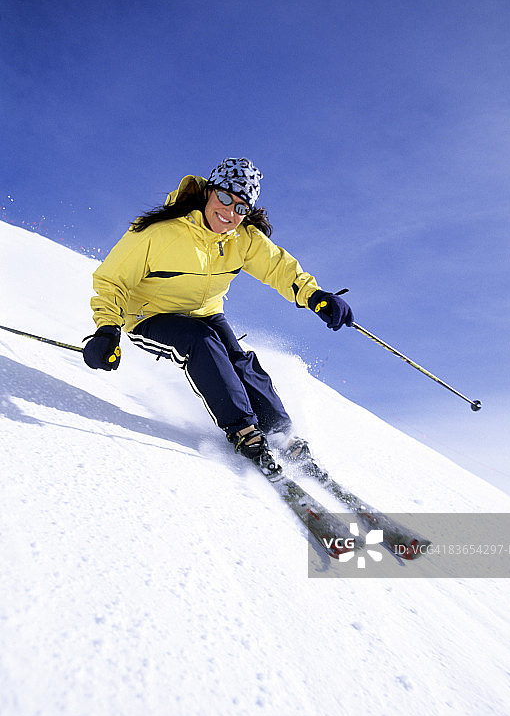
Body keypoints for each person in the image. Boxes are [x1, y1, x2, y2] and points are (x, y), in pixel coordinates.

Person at [83, 157, 353, 477]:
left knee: (237, 358)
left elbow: (278, 268)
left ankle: (280, 432)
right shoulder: (159, 232)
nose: (229, 212)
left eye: (240, 207)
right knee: (201, 342)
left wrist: (315, 296)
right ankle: (243, 430)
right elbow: (111, 280)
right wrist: (107, 330)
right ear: (210, 191)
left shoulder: (243, 239)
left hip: (206, 311)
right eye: (224, 198)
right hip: (149, 314)